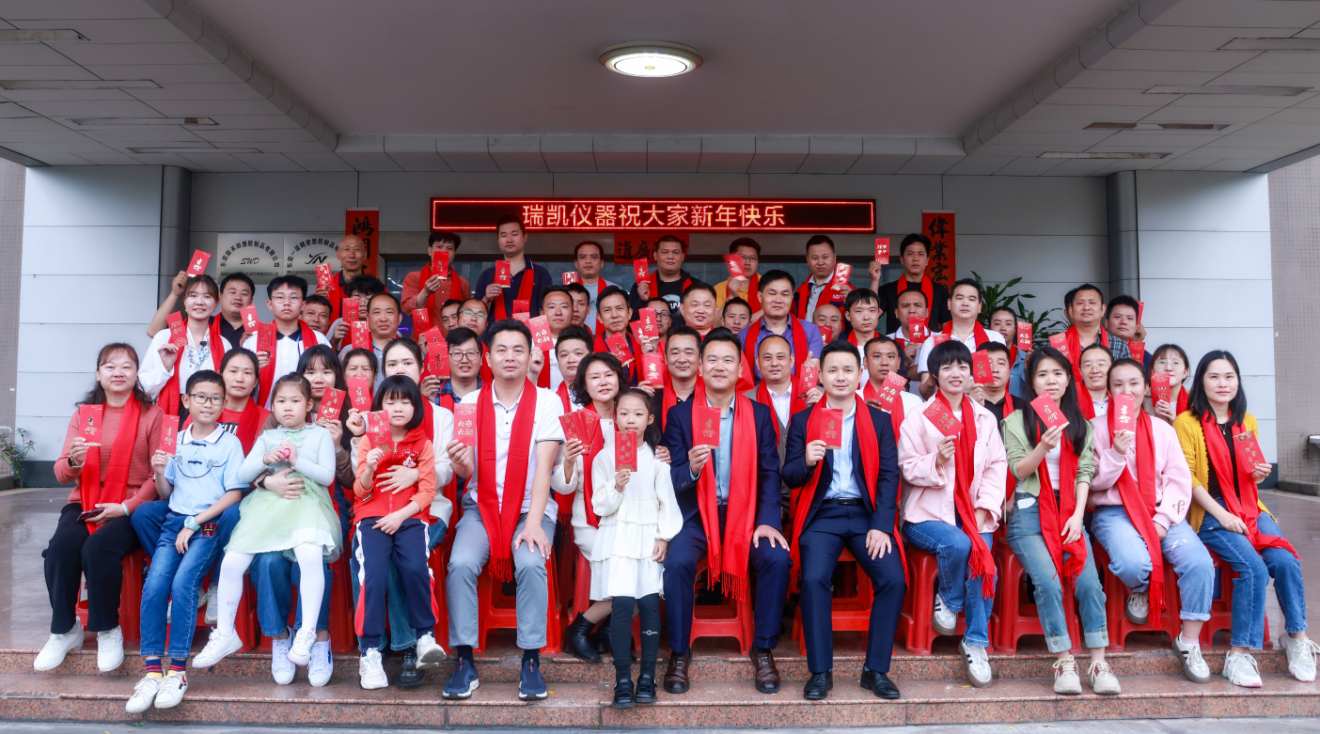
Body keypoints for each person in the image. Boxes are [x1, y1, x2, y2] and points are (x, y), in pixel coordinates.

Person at [660, 329, 790, 695]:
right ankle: (679, 653)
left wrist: (767, 521)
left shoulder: (759, 415)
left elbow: (769, 473)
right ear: (700, 367)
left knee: (777, 559)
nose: (719, 366)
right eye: (712, 359)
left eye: (728, 360)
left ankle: (763, 650)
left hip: (746, 515)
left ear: (740, 369)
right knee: (678, 562)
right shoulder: (680, 415)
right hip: (695, 516)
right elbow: (671, 479)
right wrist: (692, 468)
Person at [1176, 350, 1317, 686]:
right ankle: (1239, 655)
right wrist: (1222, 515)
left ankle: (1295, 639)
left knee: (1286, 561)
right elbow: (1189, 479)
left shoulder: (1246, 421)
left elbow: (1245, 474)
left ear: (1238, 382)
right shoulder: (1186, 422)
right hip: (1211, 512)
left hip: (1251, 508)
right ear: (1201, 381)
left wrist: (1258, 474)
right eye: (1214, 376)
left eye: (1229, 377)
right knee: (1252, 567)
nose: (1222, 384)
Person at [444, 320, 564, 702]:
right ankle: (464, 659)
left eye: (518, 350)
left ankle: (530, 659)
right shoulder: (467, 405)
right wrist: (461, 461)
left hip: (533, 507)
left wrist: (532, 524)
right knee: (460, 563)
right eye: (501, 350)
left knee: (530, 563)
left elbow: (545, 467)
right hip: (482, 507)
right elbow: (466, 474)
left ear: (531, 356)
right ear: (487, 357)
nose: (510, 357)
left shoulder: (548, 401)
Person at [193, 375, 342, 675]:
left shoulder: (320, 435)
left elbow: (327, 477)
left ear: (309, 404)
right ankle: (225, 633)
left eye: (295, 401)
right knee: (232, 562)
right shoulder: (268, 437)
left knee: (310, 557)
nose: (288, 407)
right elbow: (244, 471)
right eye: (281, 401)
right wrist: (264, 458)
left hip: (306, 503)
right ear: (272, 406)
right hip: (267, 508)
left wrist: (297, 461)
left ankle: (308, 633)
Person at [782, 342, 904, 701]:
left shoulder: (879, 420)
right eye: (832, 370)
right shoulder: (804, 420)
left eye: (847, 370)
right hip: (824, 514)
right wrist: (805, 459)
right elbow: (789, 476)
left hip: (867, 516)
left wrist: (882, 525)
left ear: (859, 374)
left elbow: (888, 477)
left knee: (893, 579)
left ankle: (875, 670)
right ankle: (821, 671)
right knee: (815, 578)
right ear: (820, 376)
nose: (840, 377)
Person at [36, 344, 165, 674]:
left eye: (127, 366)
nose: (118, 372)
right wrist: (75, 460)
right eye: (110, 366)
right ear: (98, 374)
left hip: (133, 506)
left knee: (98, 548)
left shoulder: (152, 414)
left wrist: (126, 507)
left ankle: (108, 628)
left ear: (137, 374)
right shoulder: (85, 415)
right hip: (86, 501)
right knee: (60, 550)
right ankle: (65, 630)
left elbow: (159, 473)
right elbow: (62, 472)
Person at [126, 370, 246, 712]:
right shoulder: (174, 439)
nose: (208, 404)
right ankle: (152, 671)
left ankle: (177, 670)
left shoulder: (229, 442)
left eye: (215, 398)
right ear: (186, 401)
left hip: (206, 525)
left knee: (183, 585)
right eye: (201, 397)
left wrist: (196, 522)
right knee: (154, 587)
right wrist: (161, 471)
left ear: (224, 403)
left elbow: (235, 493)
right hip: (174, 523)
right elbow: (167, 492)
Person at [1091, 357, 1215, 684]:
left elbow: (1178, 480)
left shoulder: (1162, 430)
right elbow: (1089, 483)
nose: (1127, 391)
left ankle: (1189, 642)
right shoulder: (1095, 428)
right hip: (1113, 511)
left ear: (1146, 388)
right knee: (1132, 563)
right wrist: (1116, 453)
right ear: (1108, 391)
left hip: (1161, 512)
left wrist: (1163, 521)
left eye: (1134, 384)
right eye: (1118, 385)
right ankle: (1142, 589)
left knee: (1200, 564)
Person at [1001, 347, 1115, 696]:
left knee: (1089, 584)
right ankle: (1065, 660)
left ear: (1068, 379)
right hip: (1028, 510)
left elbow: (1085, 472)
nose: (1050, 381)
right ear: (1031, 382)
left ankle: (1098, 661)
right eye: (1042, 375)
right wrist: (1043, 447)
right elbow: (1018, 469)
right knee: (1048, 583)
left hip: (1069, 510)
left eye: (1057, 374)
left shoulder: (1081, 424)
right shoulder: (1016, 421)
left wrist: (1079, 516)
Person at [898, 340, 1006, 688]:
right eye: (947, 368)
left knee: (984, 559)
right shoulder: (920, 416)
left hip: (973, 512)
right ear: (935, 375)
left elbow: (997, 466)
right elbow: (907, 467)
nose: (955, 373)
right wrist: (937, 460)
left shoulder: (985, 418)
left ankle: (975, 643)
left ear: (971, 372)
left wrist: (982, 507)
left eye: (961, 366)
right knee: (960, 546)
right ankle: (950, 597)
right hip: (926, 515)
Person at [352, 375, 446, 689]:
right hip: (372, 520)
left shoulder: (422, 444)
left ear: (416, 406)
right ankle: (370, 653)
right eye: (391, 401)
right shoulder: (369, 439)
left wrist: (401, 514)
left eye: (405, 401)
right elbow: (360, 492)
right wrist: (368, 467)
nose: (398, 407)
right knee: (375, 574)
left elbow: (427, 490)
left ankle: (423, 637)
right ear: (379, 406)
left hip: (409, 518)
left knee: (417, 568)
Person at [592, 388, 682, 708]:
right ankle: (622, 680)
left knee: (647, 605)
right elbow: (599, 505)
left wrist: (664, 537)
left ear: (650, 419)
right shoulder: (604, 457)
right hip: (618, 539)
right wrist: (616, 485)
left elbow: (666, 502)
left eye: (638, 414)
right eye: (624, 413)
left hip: (647, 541)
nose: (630, 420)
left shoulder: (657, 459)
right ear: (614, 417)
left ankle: (646, 677)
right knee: (620, 606)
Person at [556, 354, 630, 663]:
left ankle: (605, 630)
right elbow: (562, 486)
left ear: (619, 379)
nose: (603, 382)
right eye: (595, 377)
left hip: (631, 517)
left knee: (655, 568)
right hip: (590, 521)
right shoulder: (575, 423)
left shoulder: (630, 416)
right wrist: (570, 461)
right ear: (584, 384)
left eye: (609, 375)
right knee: (633, 573)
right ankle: (581, 628)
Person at [140, 274, 231, 419]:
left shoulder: (223, 344)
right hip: (171, 412)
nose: (199, 302)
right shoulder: (164, 338)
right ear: (184, 301)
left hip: (210, 412)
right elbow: (143, 388)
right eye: (193, 295)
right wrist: (165, 368)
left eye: (207, 297)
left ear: (216, 303)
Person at [240, 275, 331, 408]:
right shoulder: (253, 342)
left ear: (303, 304)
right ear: (269, 304)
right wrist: (251, 370)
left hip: (307, 416)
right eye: (280, 297)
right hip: (264, 415)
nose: (286, 303)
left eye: (294, 297)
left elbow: (331, 379)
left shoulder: (319, 340)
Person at [917, 278, 1005, 399]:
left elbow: (995, 383)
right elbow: (926, 393)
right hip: (945, 412)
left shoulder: (994, 338)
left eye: (971, 299)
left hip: (985, 409)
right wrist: (933, 381)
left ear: (980, 307)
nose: (965, 303)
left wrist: (946, 385)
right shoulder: (932, 342)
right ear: (949, 304)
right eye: (959, 298)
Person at [739, 270, 824, 383]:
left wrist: (810, 372)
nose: (778, 300)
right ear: (760, 296)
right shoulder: (744, 336)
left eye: (784, 294)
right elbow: (741, 379)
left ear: (792, 297)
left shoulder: (810, 330)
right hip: (756, 398)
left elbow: (815, 377)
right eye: (772, 294)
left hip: (800, 397)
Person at [147, 272, 254, 351]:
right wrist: (175, 294)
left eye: (244, 294)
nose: (238, 297)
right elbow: (154, 332)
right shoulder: (202, 322)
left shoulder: (256, 332)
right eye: (232, 292)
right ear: (220, 298)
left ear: (251, 300)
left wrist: (249, 346)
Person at [475, 215, 553, 324]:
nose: (509, 239)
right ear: (498, 240)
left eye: (514, 234)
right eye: (504, 235)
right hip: (494, 339)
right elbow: (476, 316)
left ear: (525, 237)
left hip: (529, 338)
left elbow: (546, 312)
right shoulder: (488, 275)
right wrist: (486, 298)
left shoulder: (541, 274)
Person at [875, 234, 952, 331]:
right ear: (902, 259)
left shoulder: (940, 290)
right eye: (910, 253)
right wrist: (875, 280)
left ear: (927, 260)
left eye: (920, 254)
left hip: (930, 345)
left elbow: (947, 326)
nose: (915, 258)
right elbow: (871, 315)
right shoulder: (887, 290)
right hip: (897, 345)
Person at [1060, 285, 1131, 387]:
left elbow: (1126, 384)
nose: (1086, 307)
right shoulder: (1056, 344)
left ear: (1103, 309)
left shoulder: (1120, 346)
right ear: (1071, 311)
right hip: (1067, 403)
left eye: (1092, 302)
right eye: (1080, 303)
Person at [401, 230, 472, 328]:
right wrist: (425, 292)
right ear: (430, 251)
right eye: (439, 247)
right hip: (424, 339)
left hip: (454, 339)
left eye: (449, 248)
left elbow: (467, 314)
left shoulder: (462, 283)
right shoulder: (413, 277)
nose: (444, 251)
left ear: (454, 253)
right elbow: (407, 309)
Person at [339, 292, 403, 390]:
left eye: (389, 312)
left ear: (399, 318)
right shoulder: (349, 351)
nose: (383, 319)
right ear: (368, 318)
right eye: (377, 312)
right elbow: (337, 388)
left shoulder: (409, 352)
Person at [630, 235, 699, 322]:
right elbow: (631, 325)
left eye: (676, 252)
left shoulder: (697, 286)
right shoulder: (640, 287)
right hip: (654, 336)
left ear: (682, 256)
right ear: (655, 255)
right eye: (665, 252)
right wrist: (642, 301)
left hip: (688, 335)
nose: (670, 256)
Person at [862, 336, 923, 435]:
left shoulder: (914, 401)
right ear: (865, 362)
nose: (884, 363)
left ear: (899, 363)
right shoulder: (855, 400)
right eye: (877, 356)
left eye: (890, 357)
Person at [595, 285, 650, 382]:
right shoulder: (592, 349)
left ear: (629, 313)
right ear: (600, 318)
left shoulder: (641, 347)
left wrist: (650, 357)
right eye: (607, 310)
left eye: (619, 308)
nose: (614, 315)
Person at [652, 325, 702, 432]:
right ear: (665, 358)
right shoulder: (652, 403)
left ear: (700, 359)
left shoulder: (713, 399)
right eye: (675, 353)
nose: (682, 359)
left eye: (689, 353)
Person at [792, 235, 851, 320]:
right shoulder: (799, 292)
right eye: (815, 258)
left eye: (825, 257)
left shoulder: (846, 290)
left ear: (834, 258)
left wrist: (852, 304)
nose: (820, 262)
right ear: (808, 260)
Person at [312, 234, 369, 321]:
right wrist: (314, 302)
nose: (352, 255)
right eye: (346, 249)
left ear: (365, 255)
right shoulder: (325, 287)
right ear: (338, 254)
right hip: (332, 334)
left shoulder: (377, 288)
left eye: (356, 249)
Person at [325, 275, 386, 350]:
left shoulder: (384, 324)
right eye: (357, 296)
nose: (362, 302)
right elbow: (324, 355)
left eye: (368, 297)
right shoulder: (340, 323)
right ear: (349, 298)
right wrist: (334, 340)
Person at [888, 288, 929, 392]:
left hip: (932, 404)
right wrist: (904, 363)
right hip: (899, 403)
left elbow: (943, 373)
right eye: (905, 306)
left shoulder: (939, 339)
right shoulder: (886, 342)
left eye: (917, 305)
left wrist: (901, 370)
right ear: (896, 313)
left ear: (927, 312)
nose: (911, 310)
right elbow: (882, 379)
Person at [714, 237, 763, 319]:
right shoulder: (719, 289)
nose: (747, 262)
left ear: (758, 262)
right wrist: (731, 296)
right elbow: (715, 324)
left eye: (752, 258)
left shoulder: (768, 286)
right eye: (742, 257)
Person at [436, 327, 484, 410]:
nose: (464, 360)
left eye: (471, 353)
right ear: (446, 359)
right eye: (457, 353)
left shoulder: (494, 396)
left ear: (481, 359)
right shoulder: (434, 396)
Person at [537, 286, 575, 390]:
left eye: (564, 307)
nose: (558, 312)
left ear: (572, 312)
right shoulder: (530, 345)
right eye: (551, 307)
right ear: (542, 314)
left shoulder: (581, 344)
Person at [572, 240, 614, 330]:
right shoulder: (566, 292)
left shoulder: (614, 290)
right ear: (576, 263)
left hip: (608, 342)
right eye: (582, 257)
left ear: (602, 263)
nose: (588, 261)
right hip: (575, 341)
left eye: (594, 257)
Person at [973, 342, 1018, 424]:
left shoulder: (1023, 408)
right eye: (989, 363)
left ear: (1009, 369)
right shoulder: (962, 407)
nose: (995, 369)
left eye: (1001, 363)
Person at [988, 306, 1029, 396]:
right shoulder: (979, 357)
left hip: (1017, 409)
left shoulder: (1026, 358)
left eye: (1008, 324)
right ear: (989, 327)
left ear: (1015, 329)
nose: (1003, 328)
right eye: (997, 324)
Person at [843, 288, 882, 379]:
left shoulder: (890, 347)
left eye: (872, 310)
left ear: (878, 313)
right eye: (859, 311)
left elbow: (902, 383)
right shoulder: (837, 349)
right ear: (848, 316)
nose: (866, 317)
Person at [553, 326, 593, 411]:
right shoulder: (549, 398)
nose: (571, 360)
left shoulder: (606, 393)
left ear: (592, 357)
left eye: (578, 353)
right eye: (564, 355)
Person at [1150, 344, 1191, 424]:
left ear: (1185, 373)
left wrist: (1176, 422)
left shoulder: (1195, 400)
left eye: (1175, 363)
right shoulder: (1141, 398)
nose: (1168, 368)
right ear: (1152, 370)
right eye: (1162, 362)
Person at [1105, 295, 1148, 366]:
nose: (1123, 322)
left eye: (1130, 318)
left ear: (1136, 325)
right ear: (1106, 323)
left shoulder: (1147, 358)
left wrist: (1136, 345)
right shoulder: (1095, 348)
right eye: (1118, 317)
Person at [1077, 344, 1113, 419]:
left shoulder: (1122, 397)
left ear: (1112, 369)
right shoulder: (1070, 399)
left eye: (1101, 364)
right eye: (1088, 365)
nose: (1094, 370)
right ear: (1080, 372)